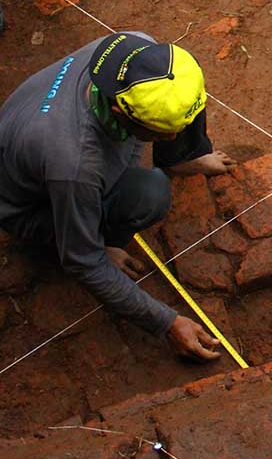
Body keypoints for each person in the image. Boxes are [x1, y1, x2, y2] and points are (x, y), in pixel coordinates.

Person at [0, 32, 236, 360]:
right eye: (165, 134)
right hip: (30, 208)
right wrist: (166, 323)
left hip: (39, 146)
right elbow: (83, 264)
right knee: (150, 194)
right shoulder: (75, 165)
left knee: (175, 99)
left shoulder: (136, 55)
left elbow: (180, 97)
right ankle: (96, 239)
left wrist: (183, 153)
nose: (173, 135)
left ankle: (176, 160)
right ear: (118, 111)